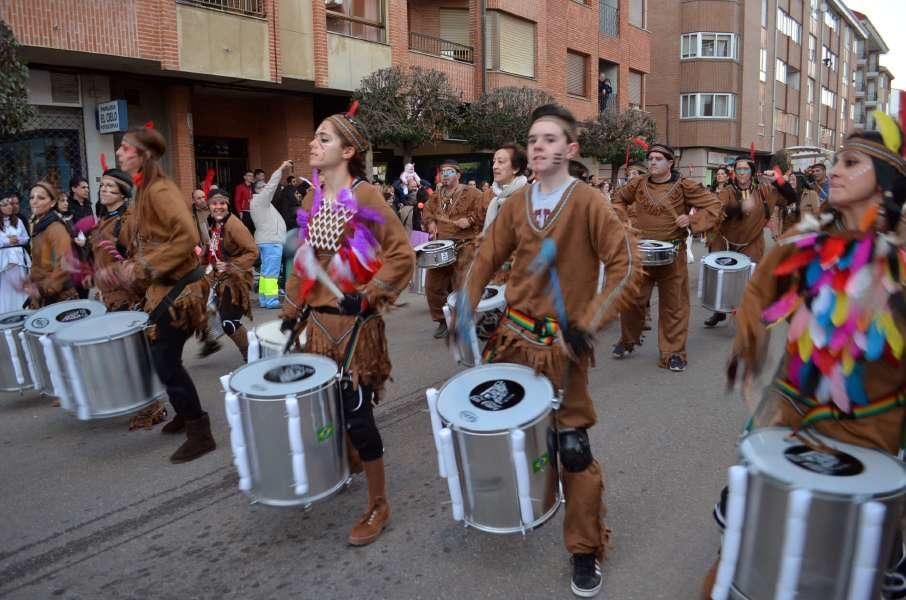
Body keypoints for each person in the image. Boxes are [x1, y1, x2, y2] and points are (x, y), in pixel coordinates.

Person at [702, 117, 906, 599]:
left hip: (871, 429)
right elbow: (757, 293)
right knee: (742, 552)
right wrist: (749, 338)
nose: (834, 170)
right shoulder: (804, 242)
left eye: (850, 162)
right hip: (787, 411)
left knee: (849, 566)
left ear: (888, 179)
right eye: (836, 159)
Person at [464, 103, 641, 598]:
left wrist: (589, 322)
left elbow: (624, 265)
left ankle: (584, 549)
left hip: (563, 349)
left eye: (549, 138)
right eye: (532, 139)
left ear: (570, 148)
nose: (538, 146)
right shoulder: (517, 204)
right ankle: (517, 507)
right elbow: (485, 258)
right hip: (513, 340)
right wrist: (464, 309)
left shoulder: (588, 202)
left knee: (573, 449)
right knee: (504, 431)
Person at [279, 105, 415, 546]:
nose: (313, 145)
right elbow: (305, 258)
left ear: (348, 150)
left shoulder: (367, 197)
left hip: (356, 327)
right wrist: (290, 308)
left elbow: (401, 255)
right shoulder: (312, 197)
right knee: (332, 410)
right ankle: (352, 462)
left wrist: (371, 291)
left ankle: (379, 504)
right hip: (318, 326)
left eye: (324, 138)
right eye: (315, 137)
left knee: (358, 416)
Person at [113, 125, 215, 464]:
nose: (119, 153)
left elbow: (187, 237)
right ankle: (187, 415)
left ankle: (200, 432)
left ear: (144, 155)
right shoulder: (142, 191)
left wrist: (142, 267)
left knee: (165, 360)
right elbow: (147, 240)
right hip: (166, 285)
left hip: (182, 286)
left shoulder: (159, 190)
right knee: (165, 358)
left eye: (125, 148)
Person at [610, 143, 722, 371]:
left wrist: (690, 220)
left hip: (673, 255)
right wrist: (625, 221)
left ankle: (673, 353)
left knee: (674, 305)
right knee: (632, 301)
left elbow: (714, 206)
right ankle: (629, 339)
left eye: (658, 159)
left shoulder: (685, 186)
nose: (652, 162)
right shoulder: (638, 184)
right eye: (650, 158)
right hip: (642, 254)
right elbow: (617, 200)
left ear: (670, 163)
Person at [703, 156, 796, 327]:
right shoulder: (727, 191)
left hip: (752, 242)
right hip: (726, 242)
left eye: (745, 169)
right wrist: (739, 207)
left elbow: (791, 198)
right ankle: (720, 311)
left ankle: (751, 313)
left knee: (752, 281)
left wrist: (778, 180)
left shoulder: (765, 190)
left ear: (752, 172)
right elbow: (718, 210)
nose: (742, 172)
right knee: (724, 279)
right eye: (738, 169)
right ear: (734, 172)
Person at [421, 159, 484, 338]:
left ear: (458, 175)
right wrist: (431, 223)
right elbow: (427, 212)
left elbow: (483, 211)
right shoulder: (435, 195)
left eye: (449, 172)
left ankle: (465, 320)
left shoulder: (473, 193)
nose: (444, 175)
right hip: (441, 245)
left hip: (465, 244)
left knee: (462, 284)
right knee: (433, 285)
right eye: (442, 172)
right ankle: (442, 320)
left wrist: (470, 220)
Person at [198, 188, 258, 360]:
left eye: (222, 203)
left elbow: (253, 252)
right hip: (217, 278)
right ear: (209, 206)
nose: (219, 207)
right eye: (214, 204)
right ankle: (210, 340)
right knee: (199, 306)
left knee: (229, 322)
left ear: (228, 205)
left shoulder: (234, 225)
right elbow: (213, 251)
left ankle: (252, 355)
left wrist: (231, 265)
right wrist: (203, 254)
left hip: (236, 279)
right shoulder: (212, 224)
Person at [24, 182, 78, 308]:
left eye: (41, 198)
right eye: (32, 197)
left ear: (53, 203)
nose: (34, 201)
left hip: (58, 298)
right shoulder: (38, 225)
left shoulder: (55, 228)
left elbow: (65, 264)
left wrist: (44, 289)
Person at [481, 143, 529, 285]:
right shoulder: (491, 197)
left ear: (516, 168)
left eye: (501, 162)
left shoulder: (531, 195)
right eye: (494, 161)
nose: (494, 166)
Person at [249, 161, 290, 309]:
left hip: (267, 240)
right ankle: (271, 301)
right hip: (271, 241)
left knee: (266, 274)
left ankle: (265, 300)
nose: (267, 188)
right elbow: (272, 186)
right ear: (258, 189)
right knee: (271, 274)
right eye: (263, 186)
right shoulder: (261, 200)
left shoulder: (258, 202)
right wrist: (280, 168)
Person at [0, 195, 30, 312]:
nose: (9, 207)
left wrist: (18, 240)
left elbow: (26, 238)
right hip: (4, 261)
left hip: (18, 259)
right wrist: (8, 241)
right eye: (5, 205)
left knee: (20, 286)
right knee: (7, 288)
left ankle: (22, 311)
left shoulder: (18, 221)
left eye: (10, 204)